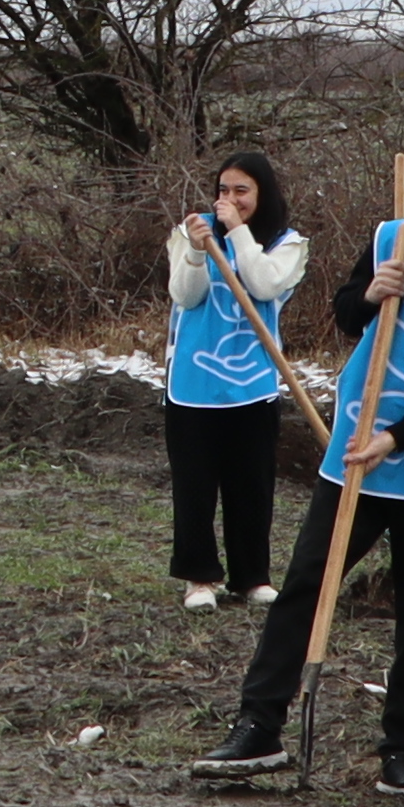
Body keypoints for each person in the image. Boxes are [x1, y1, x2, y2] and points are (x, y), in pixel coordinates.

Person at [200, 174, 404, 799]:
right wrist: (370, 294)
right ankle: (259, 724)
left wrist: (400, 437)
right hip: (360, 447)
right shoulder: (395, 237)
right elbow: (345, 312)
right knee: (308, 582)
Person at [161, 148, 310, 609]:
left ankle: (252, 577)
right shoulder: (192, 230)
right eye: (223, 190)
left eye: (241, 191)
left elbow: (264, 285)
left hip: (253, 384)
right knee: (195, 485)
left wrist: (238, 233)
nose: (230, 199)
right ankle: (199, 577)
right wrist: (194, 251)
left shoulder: (287, 243)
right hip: (193, 384)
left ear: (262, 195)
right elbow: (185, 297)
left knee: (251, 485)